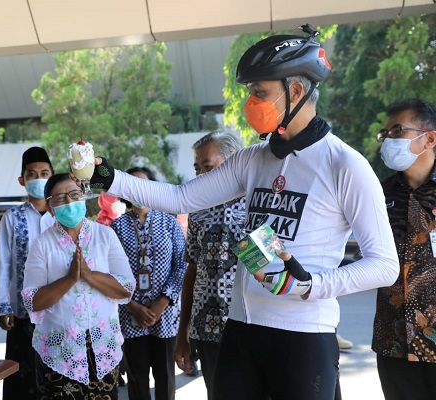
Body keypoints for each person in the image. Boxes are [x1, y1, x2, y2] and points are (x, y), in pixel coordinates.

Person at [86, 25, 399, 400]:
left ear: (296, 91)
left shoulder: (345, 165)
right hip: (241, 328)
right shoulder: (253, 158)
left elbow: (385, 265)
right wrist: (106, 177)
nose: (251, 102)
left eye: (259, 93)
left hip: (303, 334)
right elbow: (182, 198)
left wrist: (312, 285)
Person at [21, 173, 136, 399]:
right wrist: (69, 279)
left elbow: (126, 288)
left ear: (84, 197)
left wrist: (90, 275)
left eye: (74, 195)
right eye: (61, 199)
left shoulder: (105, 236)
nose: (70, 202)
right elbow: (32, 300)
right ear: (51, 207)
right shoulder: (42, 244)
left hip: (103, 350)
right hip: (59, 356)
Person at [173, 130, 246, 399]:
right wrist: (183, 333)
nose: (201, 175)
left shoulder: (258, 204)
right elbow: (192, 270)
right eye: (197, 168)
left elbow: (270, 263)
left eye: (208, 166)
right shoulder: (198, 210)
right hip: (207, 330)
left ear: (234, 162)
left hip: (250, 326)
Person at [372, 98, 436, 400]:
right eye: (386, 134)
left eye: (398, 131)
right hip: (393, 341)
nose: (388, 140)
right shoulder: (378, 194)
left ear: (430, 139)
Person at [110, 167, 187, 400]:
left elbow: (182, 264)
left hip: (165, 313)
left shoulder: (169, 223)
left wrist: (164, 301)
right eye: (132, 185)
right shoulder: (116, 228)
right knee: (137, 380)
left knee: (165, 378)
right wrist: (131, 305)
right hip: (130, 314)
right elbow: (110, 272)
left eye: (143, 184)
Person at [0, 146, 55, 399]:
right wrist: (3, 305)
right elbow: (4, 263)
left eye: (44, 172)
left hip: (59, 313)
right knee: (22, 378)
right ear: (22, 180)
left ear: (52, 176)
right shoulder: (13, 217)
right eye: (31, 174)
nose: (38, 178)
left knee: (55, 378)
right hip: (23, 312)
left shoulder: (62, 215)